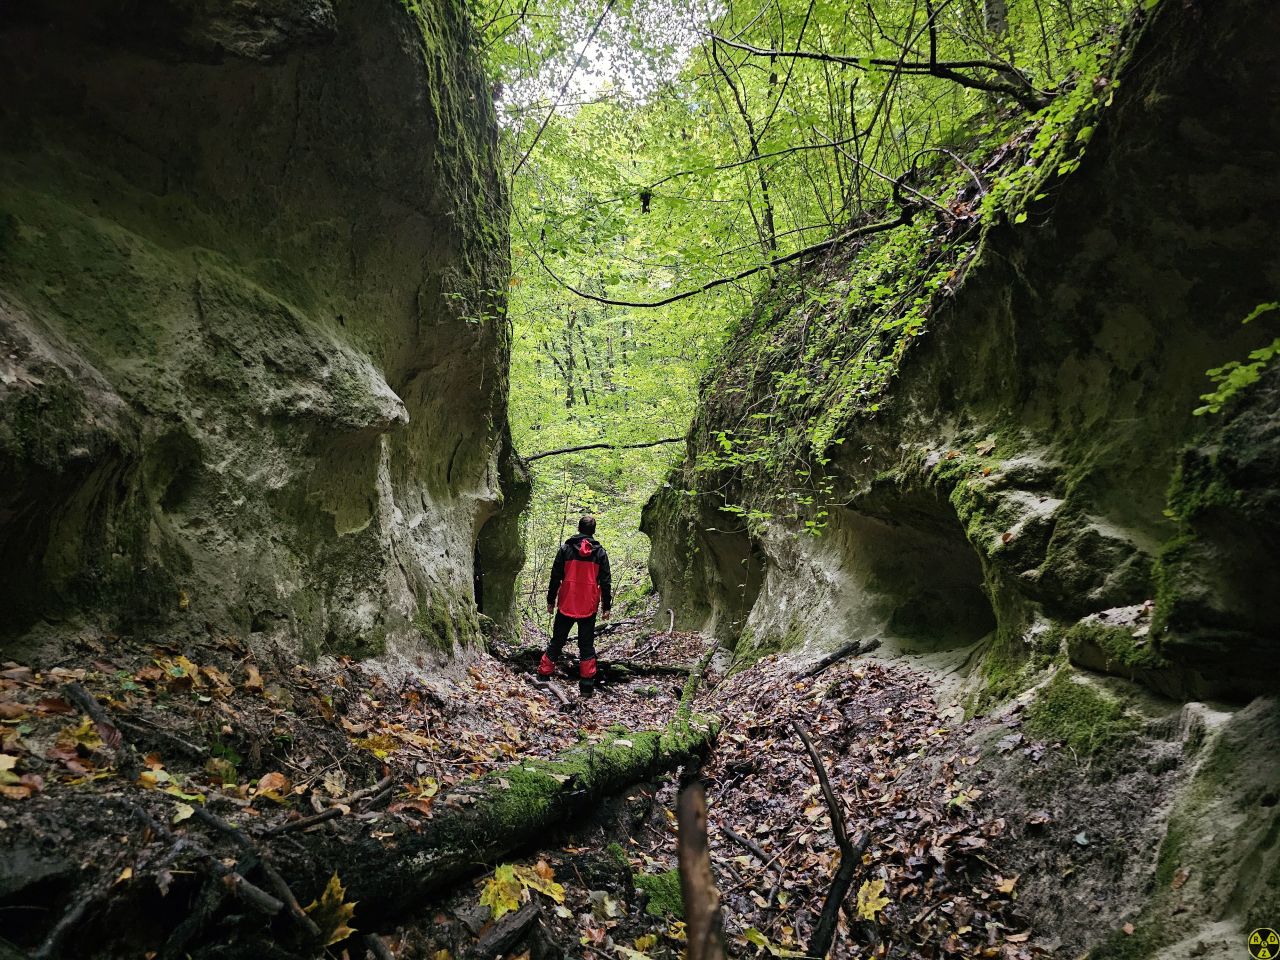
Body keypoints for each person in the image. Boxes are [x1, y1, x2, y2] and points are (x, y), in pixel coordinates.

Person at [539, 515, 611, 694]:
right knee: (586, 645)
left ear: (579, 528)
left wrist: (550, 600)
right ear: (593, 531)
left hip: (567, 602)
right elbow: (605, 582)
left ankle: (543, 676)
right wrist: (606, 607)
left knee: (557, 640)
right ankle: (586, 686)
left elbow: (555, 577)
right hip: (589, 605)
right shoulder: (600, 553)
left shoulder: (566, 549)